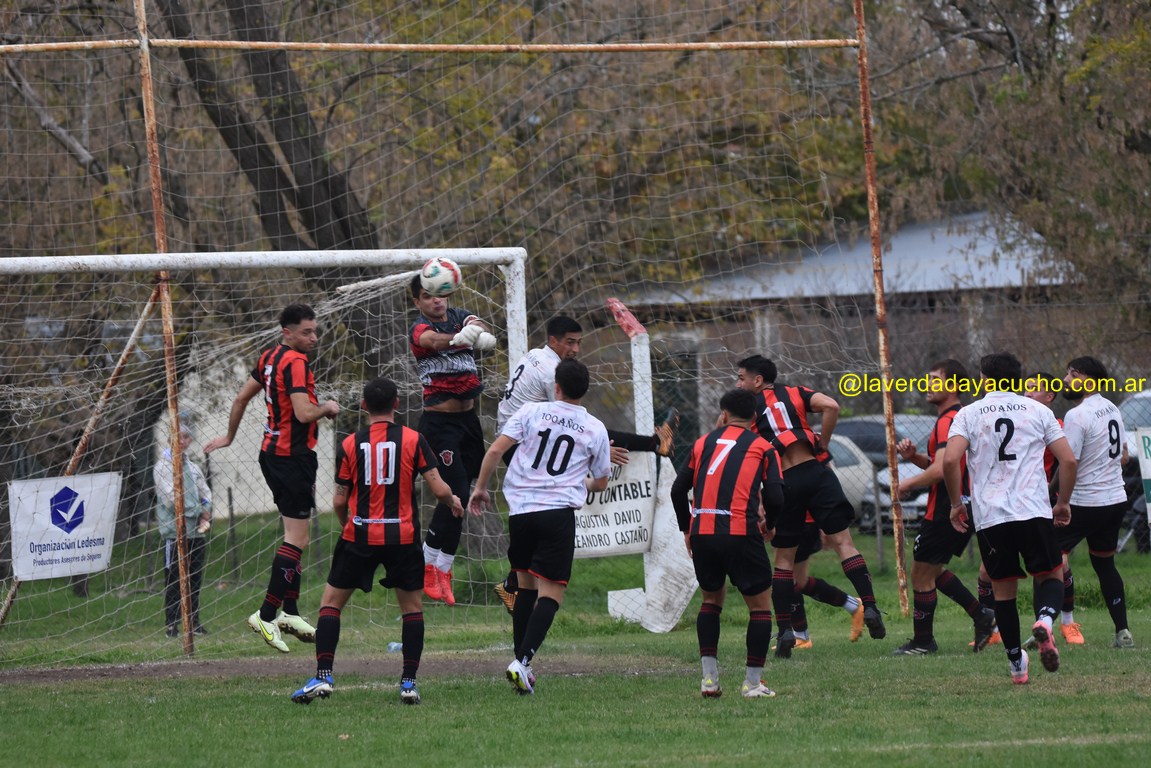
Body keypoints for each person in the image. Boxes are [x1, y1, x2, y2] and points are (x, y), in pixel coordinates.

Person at [290, 378, 464, 705]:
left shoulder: (350, 444)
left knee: (330, 604)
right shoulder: (414, 439)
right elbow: (439, 490)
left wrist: (349, 526)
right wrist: (453, 501)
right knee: (412, 610)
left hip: (359, 535)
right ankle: (409, 683)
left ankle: (324, 677)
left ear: (364, 406)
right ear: (397, 403)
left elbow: (339, 501)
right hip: (403, 537)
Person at [492, 314, 678, 613]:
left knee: (534, 523)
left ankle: (512, 586)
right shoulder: (552, 371)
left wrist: (599, 450)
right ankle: (657, 443)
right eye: (570, 342)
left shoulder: (535, 355)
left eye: (579, 342)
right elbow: (577, 424)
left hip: (518, 441)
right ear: (553, 341)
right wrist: (599, 450)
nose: (576, 349)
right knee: (594, 432)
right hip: (520, 445)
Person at [468, 359, 611, 695]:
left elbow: (495, 450)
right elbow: (602, 482)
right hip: (556, 514)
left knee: (525, 588)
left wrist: (480, 488)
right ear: (584, 390)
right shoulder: (594, 428)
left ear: (555, 386)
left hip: (521, 513)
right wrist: (582, 483)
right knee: (552, 593)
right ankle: (522, 661)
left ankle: (523, 667)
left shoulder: (531, 412)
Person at [204, 304, 340, 652]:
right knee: (296, 539)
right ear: (287, 332)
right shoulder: (295, 362)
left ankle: (290, 612)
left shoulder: (270, 356)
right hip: (292, 459)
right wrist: (328, 407)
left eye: (315, 330)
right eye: (307, 332)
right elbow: (304, 412)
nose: (314, 337)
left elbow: (240, 398)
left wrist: (230, 437)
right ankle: (266, 614)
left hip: (272, 456)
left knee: (295, 538)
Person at [736, 355, 885, 655]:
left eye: (741, 378)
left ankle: (787, 632)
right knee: (844, 543)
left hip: (784, 483)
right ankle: (869, 607)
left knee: (783, 561)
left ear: (757, 380)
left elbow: (726, 430)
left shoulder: (748, 409)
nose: (738, 383)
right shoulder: (797, 393)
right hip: (817, 475)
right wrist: (824, 443)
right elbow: (832, 405)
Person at [944, 352, 1077, 684]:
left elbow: (950, 462)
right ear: (1018, 379)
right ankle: (1046, 622)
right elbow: (1069, 462)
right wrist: (1062, 503)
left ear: (986, 380)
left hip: (991, 516)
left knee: (1003, 592)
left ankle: (1017, 664)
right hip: (1032, 509)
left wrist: (955, 504)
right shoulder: (1039, 410)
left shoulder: (969, 414)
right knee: (1051, 575)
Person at [670, 388, 784, 699]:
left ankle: (709, 680)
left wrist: (687, 528)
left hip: (704, 532)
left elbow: (678, 491)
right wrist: (769, 524)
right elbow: (775, 495)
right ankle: (752, 683)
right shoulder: (763, 447)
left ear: (722, 415)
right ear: (755, 419)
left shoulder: (702, 442)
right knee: (760, 608)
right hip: (739, 532)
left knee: (710, 602)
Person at [891, 359, 997, 655]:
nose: (928, 384)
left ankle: (924, 642)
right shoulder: (958, 418)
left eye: (935, 379)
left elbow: (941, 471)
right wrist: (914, 458)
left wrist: (906, 484)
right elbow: (945, 466)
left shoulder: (949, 421)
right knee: (933, 571)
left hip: (945, 509)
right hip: (962, 504)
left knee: (921, 575)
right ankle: (982, 615)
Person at [408, 274, 496, 606]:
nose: (436, 300)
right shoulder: (419, 328)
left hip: (468, 421)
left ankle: (441, 568)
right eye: (428, 296)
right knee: (455, 491)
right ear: (418, 301)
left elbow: (479, 322)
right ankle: (429, 565)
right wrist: (461, 338)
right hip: (439, 423)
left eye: (440, 295)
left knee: (464, 493)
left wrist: (478, 332)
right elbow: (431, 341)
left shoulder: (459, 315)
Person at [1054, 356, 1134, 648]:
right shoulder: (1112, 407)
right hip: (1115, 500)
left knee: (1052, 558)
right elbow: (1123, 456)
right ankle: (1122, 632)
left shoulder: (1078, 415)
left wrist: (1060, 501)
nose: (1065, 379)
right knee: (1105, 564)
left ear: (1082, 377)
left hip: (1085, 503)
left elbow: (1069, 462)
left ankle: (1049, 627)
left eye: (1068, 373)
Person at [154, 424, 212, 637]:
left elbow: (205, 492)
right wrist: (198, 511)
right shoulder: (162, 467)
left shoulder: (193, 468)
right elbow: (171, 500)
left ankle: (194, 622)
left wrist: (206, 509)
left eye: (187, 437)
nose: (183, 441)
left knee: (194, 578)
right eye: (179, 437)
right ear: (170, 438)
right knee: (174, 580)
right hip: (175, 533)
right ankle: (172, 624)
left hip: (196, 532)